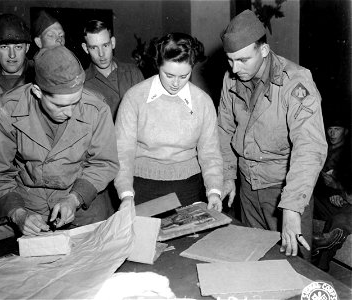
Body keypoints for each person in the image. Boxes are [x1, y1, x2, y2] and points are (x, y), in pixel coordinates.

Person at [218, 10, 328, 260]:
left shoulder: (296, 82)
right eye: (230, 60)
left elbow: (309, 147)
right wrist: (227, 175)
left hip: (284, 188)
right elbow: (224, 130)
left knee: (293, 268)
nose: (234, 69)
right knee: (253, 262)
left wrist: (291, 207)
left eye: (243, 60)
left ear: (264, 50)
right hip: (247, 188)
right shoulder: (231, 79)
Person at [0, 45, 119, 243]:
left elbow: (104, 163)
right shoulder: (6, 109)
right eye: (60, 105)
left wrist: (74, 199)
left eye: (75, 103)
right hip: (25, 202)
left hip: (80, 201)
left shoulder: (97, 109)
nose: (69, 112)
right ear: (37, 91)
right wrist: (18, 214)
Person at [115, 32, 223, 212]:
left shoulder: (203, 102)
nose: (175, 83)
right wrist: (126, 194)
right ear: (158, 64)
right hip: (141, 188)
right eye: (169, 75)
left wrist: (213, 192)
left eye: (184, 76)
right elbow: (123, 152)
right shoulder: (134, 98)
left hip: (189, 187)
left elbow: (210, 153)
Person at [81, 20, 144, 121]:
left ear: (113, 43)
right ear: (85, 48)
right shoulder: (83, 84)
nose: (101, 54)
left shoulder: (133, 73)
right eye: (93, 48)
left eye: (105, 45)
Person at [312, 116, 351, 271]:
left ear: (345, 132)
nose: (333, 133)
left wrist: (340, 191)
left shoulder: (346, 153)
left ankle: (320, 267)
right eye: (330, 129)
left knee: (340, 219)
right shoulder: (324, 148)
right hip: (333, 198)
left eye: (337, 129)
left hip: (343, 203)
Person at [0, 13, 34, 104]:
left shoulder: (42, 77)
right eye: (4, 47)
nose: (12, 55)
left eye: (18, 47)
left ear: (27, 47)